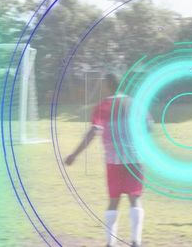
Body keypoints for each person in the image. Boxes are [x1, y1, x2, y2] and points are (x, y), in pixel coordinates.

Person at [64, 74, 150, 247]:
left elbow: (93, 132)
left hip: (113, 159)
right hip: (135, 158)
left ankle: (110, 243)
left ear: (108, 85)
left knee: (113, 200)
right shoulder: (134, 103)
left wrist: (74, 154)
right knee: (135, 197)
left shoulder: (103, 106)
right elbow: (148, 126)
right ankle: (136, 242)